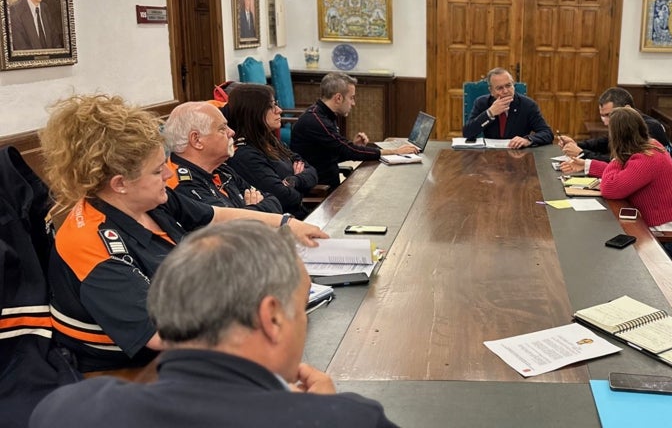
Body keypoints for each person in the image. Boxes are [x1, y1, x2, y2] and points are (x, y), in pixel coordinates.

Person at [39, 94, 327, 375]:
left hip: (187, 341)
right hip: (129, 373)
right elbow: (162, 332)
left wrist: (287, 223)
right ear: (120, 183)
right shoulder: (90, 245)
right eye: (156, 170)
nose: (168, 173)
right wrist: (263, 312)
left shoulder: (148, 201)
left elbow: (214, 216)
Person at [30, 220, 397, 428]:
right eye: (301, 308)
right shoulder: (351, 419)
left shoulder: (65, 411)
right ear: (271, 318)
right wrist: (322, 415)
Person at [291, 72, 418, 188]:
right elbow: (347, 150)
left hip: (329, 184)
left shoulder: (325, 115)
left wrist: (354, 146)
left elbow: (329, 155)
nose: (353, 103)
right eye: (351, 98)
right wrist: (394, 151)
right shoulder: (316, 121)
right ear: (338, 98)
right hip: (321, 191)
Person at [162, 101, 282, 213]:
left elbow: (274, 201)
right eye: (222, 128)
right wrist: (252, 210)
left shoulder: (221, 169)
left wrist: (250, 210)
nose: (232, 132)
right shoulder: (183, 186)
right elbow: (228, 230)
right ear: (197, 140)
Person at [225, 83, 319, 218]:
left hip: (299, 216)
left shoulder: (269, 140)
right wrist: (300, 187)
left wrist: (293, 181)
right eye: (271, 106)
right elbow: (284, 198)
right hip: (282, 226)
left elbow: (311, 171)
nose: (279, 110)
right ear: (253, 111)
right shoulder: (245, 155)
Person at [593, 107, 672, 232]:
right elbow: (627, 173)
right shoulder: (651, 145)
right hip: (657, 226)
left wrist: (617, 156)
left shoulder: (647, 158)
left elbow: (609, 188)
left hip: (666, 236)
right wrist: (588, 165)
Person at [556, 87, 671, 174]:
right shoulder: (628, 124)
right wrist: (575, 144)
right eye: (602, 116)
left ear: (627, 109)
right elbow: (606, 142)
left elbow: (623, 161)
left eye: (609, 115)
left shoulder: (649, 128)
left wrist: (582, 153)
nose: (606, 122)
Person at [462, 67, 553, 149]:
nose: (505, 91)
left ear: (513, 85)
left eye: (508, 86)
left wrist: (528, 140)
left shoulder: (528, 105)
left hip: (518, 155)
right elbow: (468, 134)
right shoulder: (482, 103)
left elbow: (547, 133)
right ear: (491, 91)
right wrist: (490, 113)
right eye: (499, 88)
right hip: (489, 157)